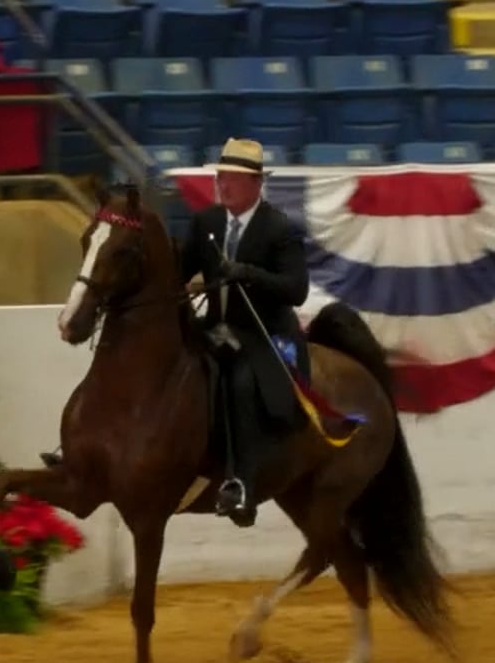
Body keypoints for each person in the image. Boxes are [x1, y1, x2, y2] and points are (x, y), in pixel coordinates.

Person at [42, 139, 311, 528]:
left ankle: (241, 481)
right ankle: (83, 452)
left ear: (255, 184)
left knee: (236, 381)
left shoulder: (279, 228)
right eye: (221, 176)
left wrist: (249, 274)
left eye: (233, 178)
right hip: (215, 327)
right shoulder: (207, 224)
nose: (224, 184)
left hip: (262, 333)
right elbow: (174, 277)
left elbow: (296, 288)